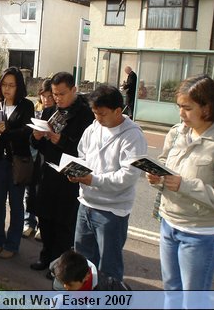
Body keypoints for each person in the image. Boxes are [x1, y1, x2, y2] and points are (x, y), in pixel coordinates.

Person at [69, 85, 147, 281]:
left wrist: (93, 179)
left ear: (118, 111)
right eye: (95, 113)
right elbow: (82, 154)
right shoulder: (94, 128)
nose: (98, 118)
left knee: (109, 267)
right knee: (83, 264)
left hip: (112, 212)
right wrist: (77, 171)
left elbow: (128, 176)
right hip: (86, 204)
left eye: (102, 114)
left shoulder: (132, 135)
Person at [146, 75, 214, 290]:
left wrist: (184, 185)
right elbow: (165, 162)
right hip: (168, 224)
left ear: (207, 107)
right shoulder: (177, 132)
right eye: (179, 107)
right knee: (171, 288)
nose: (180, 113)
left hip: (199, 234)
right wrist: (156, 177)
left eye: (187, 108)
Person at [30, 72, 94, 276]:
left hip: (69, 177)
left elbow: (87, 149)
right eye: (54, 94)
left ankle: (60, 265)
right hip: (47, 173)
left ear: (74, 90)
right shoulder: (49, 111)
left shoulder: (86, 115)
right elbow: (35, 145)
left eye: (62, 94)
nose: (57, 98)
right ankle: (45, 256)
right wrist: (36, 137)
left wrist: (61, 141)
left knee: (64, 223)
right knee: (45, 218)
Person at [0, 67, 34, 259]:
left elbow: (26, 132)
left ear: (19, 87)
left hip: (18, 162)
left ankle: (12, 244)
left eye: (11, 85)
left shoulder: (26, 106)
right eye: (4, 85)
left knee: (16, 204)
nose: (7, 89)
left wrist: (6, 132)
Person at [24, 78, 54, 240]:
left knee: (44, 195)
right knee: (29, 193)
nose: (47, 100)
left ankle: (42, 226)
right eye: (44, 96)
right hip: (31, 160)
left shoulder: (57, 114)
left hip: (46, 160)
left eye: (51, 96)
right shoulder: (35, 110)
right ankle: (29, 222)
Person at [49, 250, 131, 291]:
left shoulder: (108, 287)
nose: (65, 287)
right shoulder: (58, 269)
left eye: (70, 285)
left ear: (86, 277)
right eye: (63, 282)